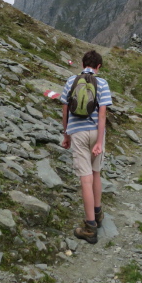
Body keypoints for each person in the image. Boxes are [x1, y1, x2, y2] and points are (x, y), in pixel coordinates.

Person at [60, 49, 112, 244]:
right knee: (96, 172)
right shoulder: (103, 83)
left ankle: (89, 227)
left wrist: (66, 135)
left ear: (83, 64)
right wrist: (99, 141)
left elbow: (65, 110)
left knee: (85, 179)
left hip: (78, 133)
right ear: (98, 67)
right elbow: (103, 113)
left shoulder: (71, 81)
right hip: (96, 133)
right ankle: (97, 214)